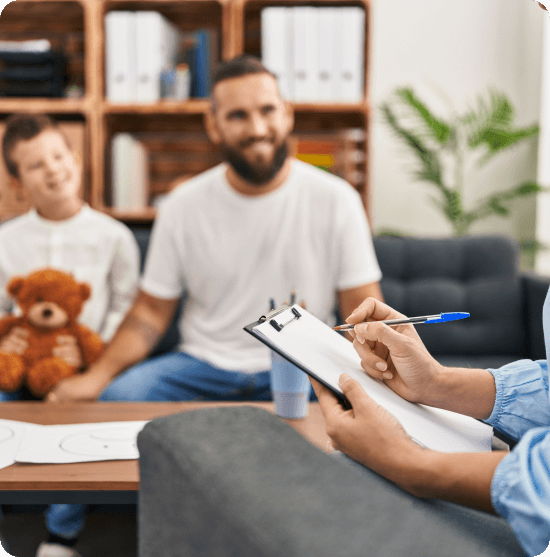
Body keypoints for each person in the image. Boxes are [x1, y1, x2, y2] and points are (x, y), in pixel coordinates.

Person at [45, 54, 384, 406]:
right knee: (118, 397)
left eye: (267, 110)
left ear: (287, 113)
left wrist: (375, 379)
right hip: (202, 366)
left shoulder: (337, 199)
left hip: (305, 365)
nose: (257, 129)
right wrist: (95, 379)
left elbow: (362, 309)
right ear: (213, 124)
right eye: (238, 115)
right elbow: (149, 312)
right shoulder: (181, 205)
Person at [0, 113, 140, 557]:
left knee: (88, 413)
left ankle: (61, 536)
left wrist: (92, 368)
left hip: (87, 369)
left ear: (76, 158)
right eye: (36, 165)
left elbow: (127, 308)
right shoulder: (6, 240)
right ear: (17, 181)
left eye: (59, 156)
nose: (54, 169)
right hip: (16, 371)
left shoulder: (114, 236)